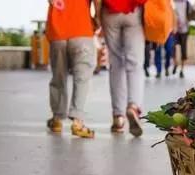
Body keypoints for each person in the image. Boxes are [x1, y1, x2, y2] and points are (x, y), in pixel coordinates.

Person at [45, 0, 100, 139]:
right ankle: (77, 122)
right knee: (82, 79)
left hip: (57, 30)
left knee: (58, 77)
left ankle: (57, 119)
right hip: (81, 29)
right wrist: (98, 19)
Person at [102, 0, 147, 136]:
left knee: (116, 64)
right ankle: (133, 106)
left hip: (109, 11)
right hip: (134, 10)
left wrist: (98, 14)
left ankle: (118, 117)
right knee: (135, 64)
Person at [173, 0, 192, 78]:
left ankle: (182, 70)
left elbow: (191, 15)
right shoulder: (173, 2)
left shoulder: (187, 3)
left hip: (184, 30)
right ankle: (176, 63)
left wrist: (187, 21)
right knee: (173, 48)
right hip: (175, 30)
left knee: (183, 50)